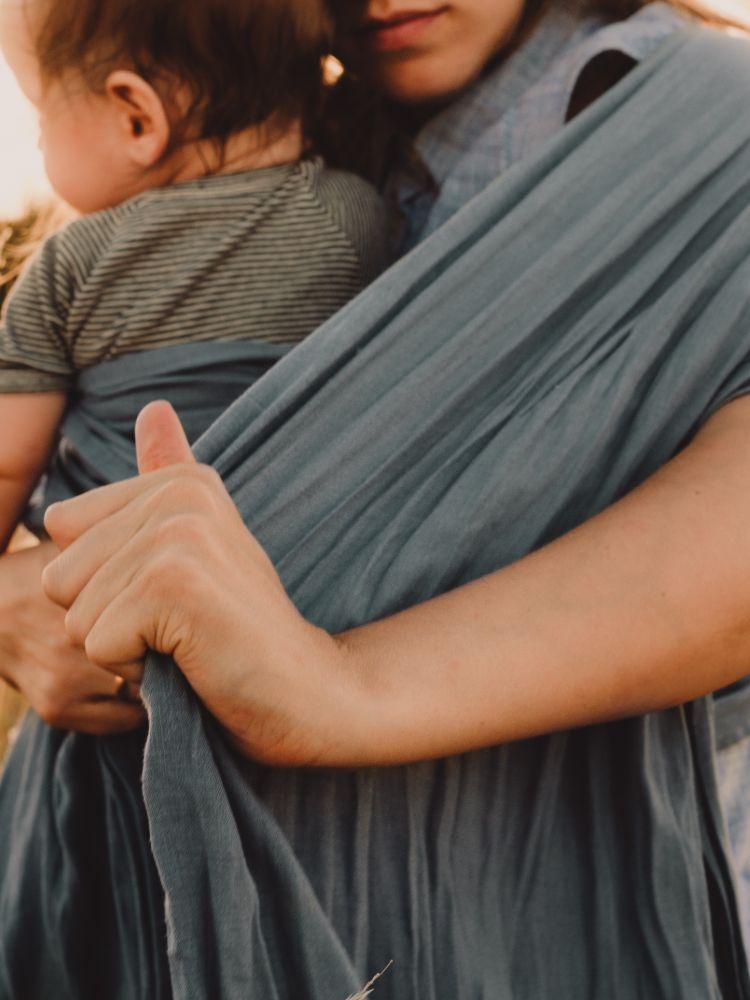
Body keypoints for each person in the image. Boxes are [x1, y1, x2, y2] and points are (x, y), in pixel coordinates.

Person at [2, 0, 750, 997]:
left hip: (550, 896)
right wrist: (22, 602)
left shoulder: (699, 124)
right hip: (200, 898)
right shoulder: (300, 144)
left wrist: (339, 683)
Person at [0, 0, 385, 553]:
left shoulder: (72, 263)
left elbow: (8, 467)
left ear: (136, 118)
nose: (38, 141)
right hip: (296, 559)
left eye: (42, 116)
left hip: (97, 577)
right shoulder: (353, 217)